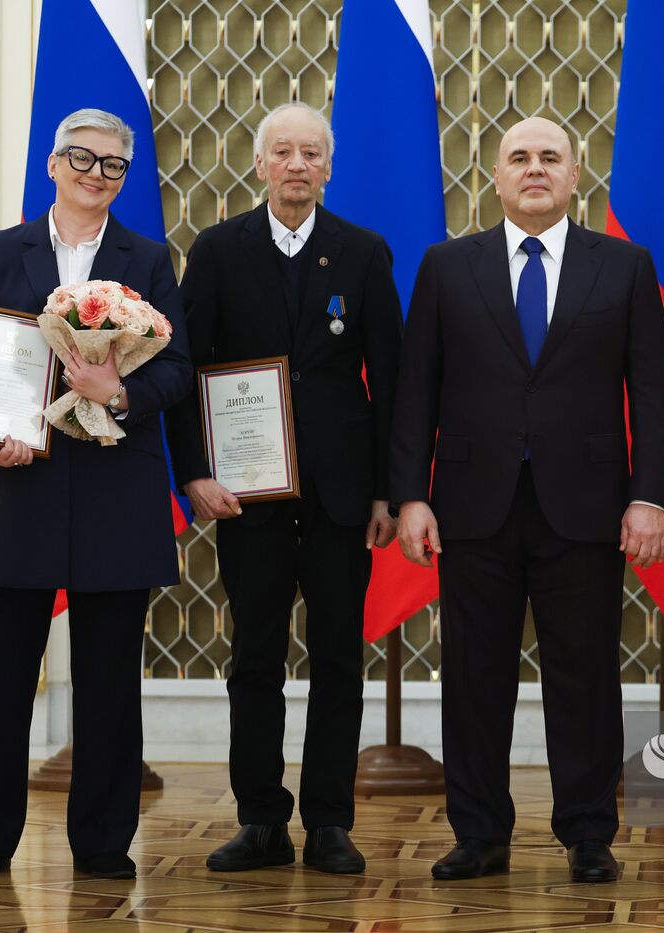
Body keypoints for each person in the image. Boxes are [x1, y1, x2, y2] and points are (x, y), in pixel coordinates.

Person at [390, 116, 664, 884]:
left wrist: (650, 497)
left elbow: (651, 393)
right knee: (474, 676)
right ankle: (479, 832)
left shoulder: (624, 266)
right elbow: (416, 392)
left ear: (577, 174)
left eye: (551, 157)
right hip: (471, 506)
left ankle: (588, 832)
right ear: (495, 175)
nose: (535, 168)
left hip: (585, 507)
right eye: (519, 157)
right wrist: (410, 496)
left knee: (584, 676)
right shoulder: (448, 266)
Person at [0, 108, 192, 879]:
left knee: (110, 678)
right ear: (52, 164)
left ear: (125, 178)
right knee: (2, 675)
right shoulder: (0, 250)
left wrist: (115, 390)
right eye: (81, 158)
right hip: (20, 483)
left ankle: (104, 841)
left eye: (113, 164)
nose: (95, 173)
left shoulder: (147, 259)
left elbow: (177, 372)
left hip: (118, 489)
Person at [165, 102, 402, 874]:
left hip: (342, 496)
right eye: (283, 152)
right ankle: (261, 818)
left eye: (312, 153)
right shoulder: (218, 249)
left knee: (338, 657)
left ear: (328, 168)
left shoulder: (364, 253)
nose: (298, 164)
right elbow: (186, 371)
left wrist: (389, 492)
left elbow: (392, 381)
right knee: (256, 659)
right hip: (247, 494)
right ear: (261, 165)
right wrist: (193, 471)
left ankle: (330, 819)